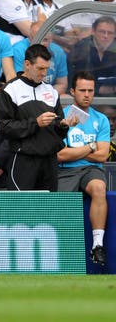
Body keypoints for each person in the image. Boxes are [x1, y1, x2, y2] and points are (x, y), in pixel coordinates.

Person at [0, 44, 78, 191]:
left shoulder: (51, 90)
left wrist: (64, 124)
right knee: (22, 208)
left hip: (49, 159)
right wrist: (35, 123)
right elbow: (4, 127)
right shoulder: (10, 89)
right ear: (27, 64)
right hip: (23, 158)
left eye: (46, 68)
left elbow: (58, 127)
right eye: (40, 68)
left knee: (47, 210)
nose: (44, 73)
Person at [57, 71, 109, 267]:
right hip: (64, 170)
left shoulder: (101, 119)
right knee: (59, 204)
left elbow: (103, 156)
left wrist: (75, 151)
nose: (87, 94)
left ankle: (97, 245)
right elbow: (60, 155)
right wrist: (91, 146)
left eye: (90, 90)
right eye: (82, 90)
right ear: (72, 91)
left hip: (90, 169)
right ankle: (62, 251)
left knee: (99, 188)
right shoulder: (62, 117)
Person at [67, 16, 116, 96]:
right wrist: (102, 89)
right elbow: (77, 83)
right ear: (93, 31)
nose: (106, 36)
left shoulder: (114, 50)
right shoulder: (80, 50)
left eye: (110, 33)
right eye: (102, 32)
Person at [12, 29, 68, 96]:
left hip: (49, 94)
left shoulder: (58, 51)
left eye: (45, 40)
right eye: (38, 39)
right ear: (30, 38)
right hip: (26, 94)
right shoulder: (19, 50)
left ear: (51, 39)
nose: (41, 43)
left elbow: (62, 84)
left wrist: (46, 97)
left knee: (65, 97)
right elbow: (20, 84)